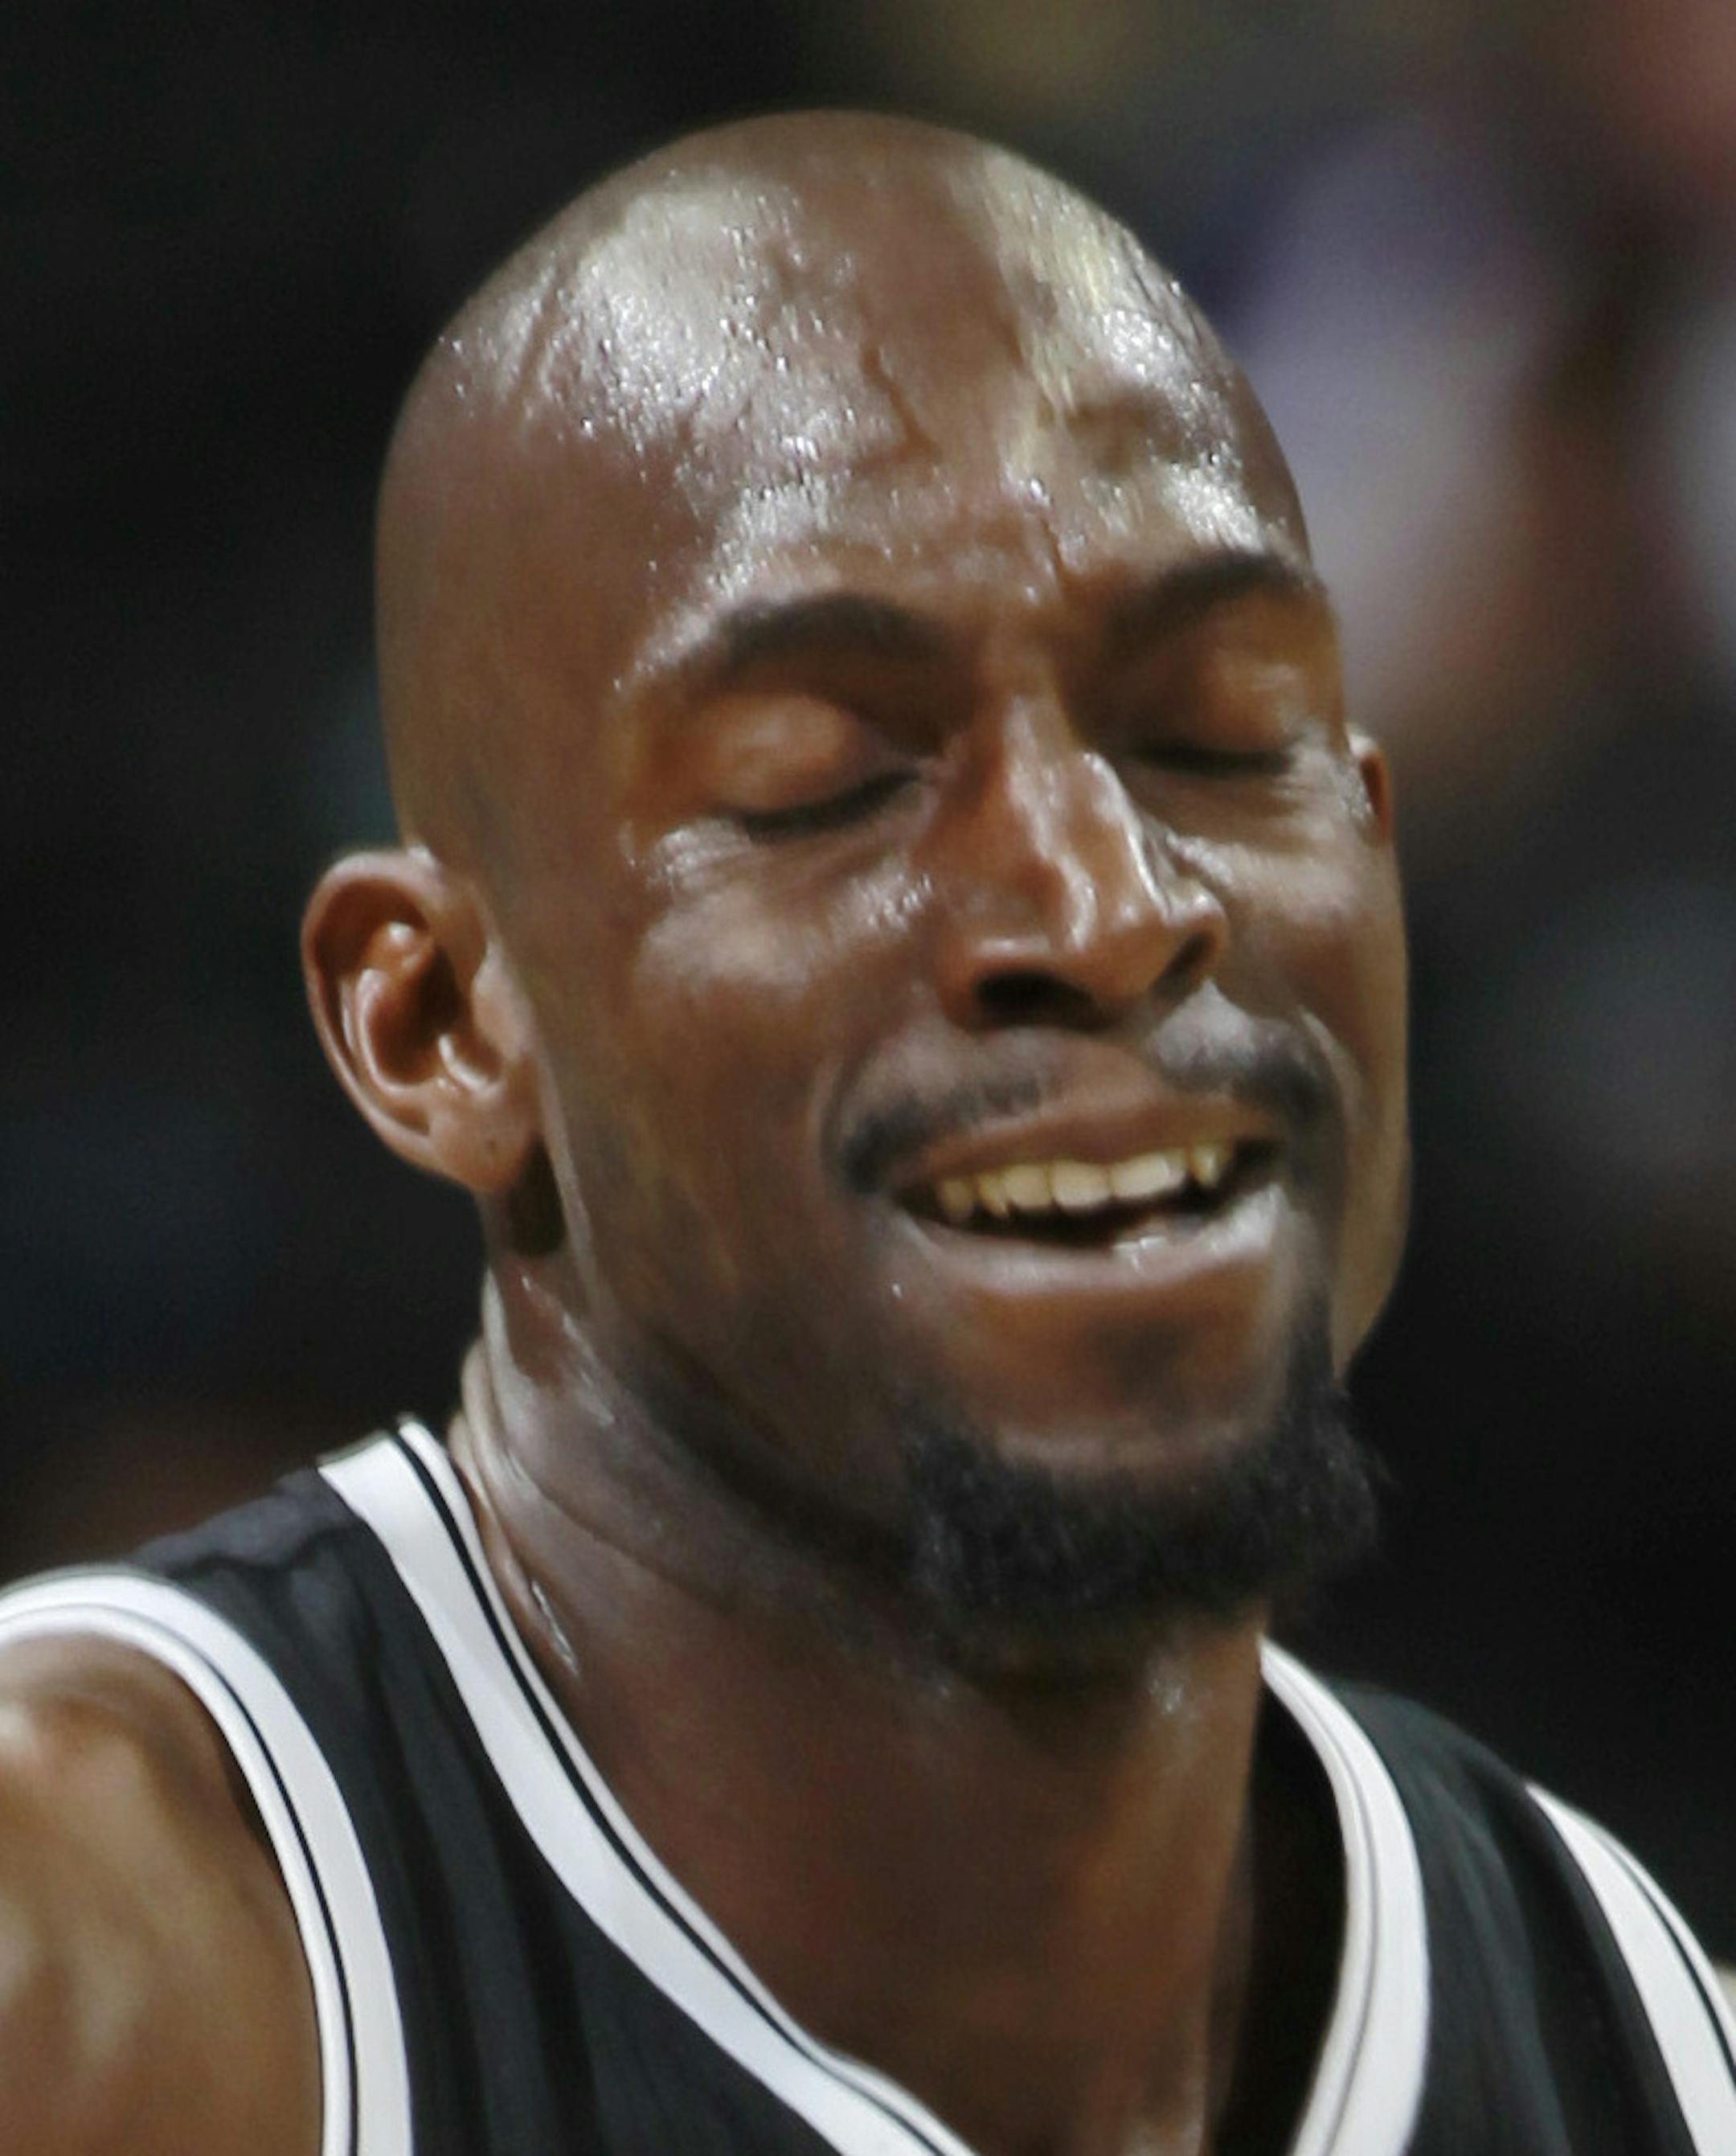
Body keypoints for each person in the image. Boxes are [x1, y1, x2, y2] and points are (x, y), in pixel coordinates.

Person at [0, 111, 1730, 2156]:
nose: (1100, 908)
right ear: (440, 1020)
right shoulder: (96, 1978)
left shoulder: (1650, 2050)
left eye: (1214, 738)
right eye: (827, 783)